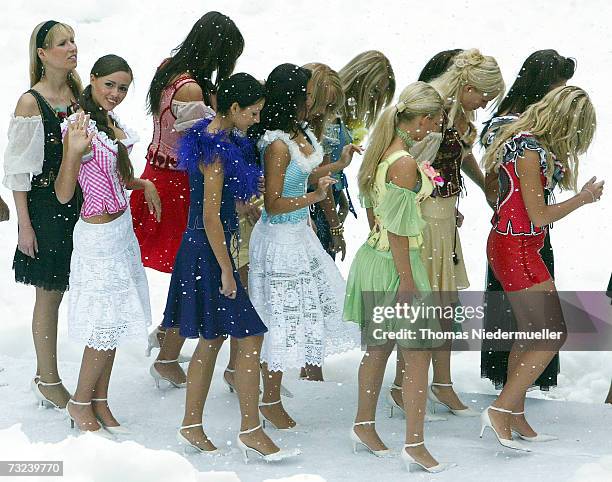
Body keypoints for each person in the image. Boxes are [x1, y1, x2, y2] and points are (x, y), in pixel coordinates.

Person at [161, 73, 299, 462]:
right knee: (248, 337)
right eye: (253, 112)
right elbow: (207, 217)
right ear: (234, 109)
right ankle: (249, 429)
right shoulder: (215, 151)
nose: (257, 119)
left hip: (206, 247)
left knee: (213, 337)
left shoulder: (214, 137)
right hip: (207, 251)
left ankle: (194, 424)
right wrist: (226, 269)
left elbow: (215, 205)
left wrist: (239, 207)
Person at [481, 85, 603, 450]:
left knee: (532, 331)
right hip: (517, 247)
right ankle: (502, 409)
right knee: (552, 333)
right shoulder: (530, 151)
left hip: (513, 243)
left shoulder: (518, 137)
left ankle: (514, 411)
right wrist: (583, 199)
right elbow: (540, 214)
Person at [344, 81, 454, 473]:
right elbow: (397, 227)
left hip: (379, 258)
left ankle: (364, 425)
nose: (439, 125)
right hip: (397, 262)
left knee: (379, 349)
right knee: (417, 355)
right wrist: (407, 281)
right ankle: (415, 443)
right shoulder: (404, 162)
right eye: (438, 118)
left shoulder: (387, 153)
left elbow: (381, 214)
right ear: (423, 119)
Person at [390, 49, 505, 417]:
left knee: (443, 303)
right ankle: (405, 383)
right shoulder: (433, 109)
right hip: (425, 217)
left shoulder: (453, 110)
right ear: (468, 85)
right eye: (484, 96)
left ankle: (439, 381)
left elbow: (456, 154)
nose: (485, 104)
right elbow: (407, 163)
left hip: (441, 213)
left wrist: (479, 185)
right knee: (427, 303)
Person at [132, 12, 245, 388]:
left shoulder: (169, 69)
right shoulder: (193, 89)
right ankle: (168, 346)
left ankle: (168, 335)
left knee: (186, 267)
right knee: (192, 268)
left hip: (156, 170)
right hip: (180, 184)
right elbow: (199, 144)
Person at [248, 64, 360, 430]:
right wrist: (314, 196)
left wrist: (338, 164)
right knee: (279, 317)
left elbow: (304, 170)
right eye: (308, 94)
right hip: (280, 238)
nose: (312, 100)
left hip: (300, 234)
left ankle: (273, 392)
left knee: (303, 309)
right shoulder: (277, 144)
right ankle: (269, 398)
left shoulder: (302, 132)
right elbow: (275, 202)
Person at [55, 55, 161, 435]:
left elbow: (121, 176)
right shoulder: (78, 125)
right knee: (103, 322)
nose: (115, 94)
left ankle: (100, 398)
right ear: (94, 80)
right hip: (97, 238)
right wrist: (72, 152)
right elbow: (65, 193)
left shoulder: (111, 124)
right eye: (109, 85)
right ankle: (80, 400)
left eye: (123, 88)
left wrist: (144, 185)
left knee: (115, 320)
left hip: (121, 232)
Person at [480, 51, 576, 406]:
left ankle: (513, 402)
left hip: (526, 231)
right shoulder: (515, 133)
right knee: (536, 325)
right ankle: (506, 401)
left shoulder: (529, 132)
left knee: (533, 324)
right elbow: (501, 183)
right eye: (557, 87)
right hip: (517, 231)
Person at [3, 20, 83, 410]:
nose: (72, 48)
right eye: (63, 43)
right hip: (45, 207)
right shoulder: (30, 103)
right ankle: (47, 377)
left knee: (72, 288)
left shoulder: (77, 92)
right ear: (42, 53)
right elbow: (18, 171)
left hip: (80, 202)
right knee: (49, 293)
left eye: (73, 41)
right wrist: (25, 225)